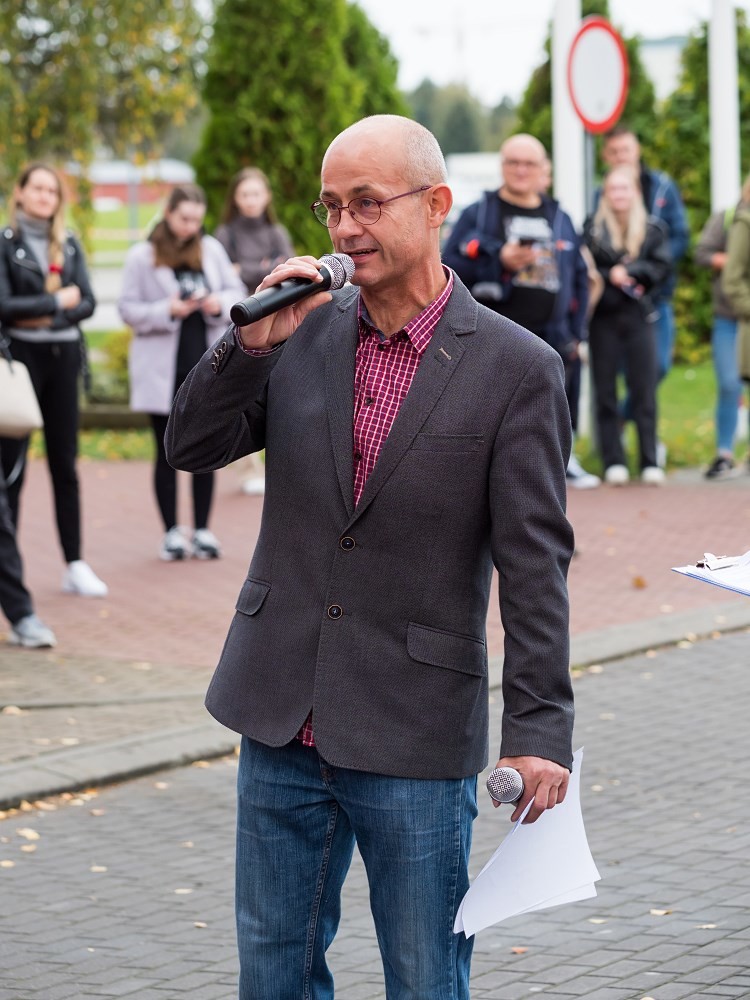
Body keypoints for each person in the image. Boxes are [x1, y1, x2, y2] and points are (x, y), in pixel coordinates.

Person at [167, 114, 574, 999]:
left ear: (436, 205)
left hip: (412, 726)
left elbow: (535, 565)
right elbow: (190, 447)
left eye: (367, 203)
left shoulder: (518, 368)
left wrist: (539, 731)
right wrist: (247, 347)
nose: (346, 228)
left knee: (425, 977)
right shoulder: (302, 331)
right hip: (280, 712)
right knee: (273, 974)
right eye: (331, 207)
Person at [442, 132, 600, 489]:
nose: (521, 170)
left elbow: (579, 276)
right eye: (513, 162)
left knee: (553, 406)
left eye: (529, 163)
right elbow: (447, 267)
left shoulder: (559, 217)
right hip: (491, 334)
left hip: (553, 334)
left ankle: (563, 462)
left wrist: (577, 332)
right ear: (502, 166)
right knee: (489, 411)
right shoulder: (478, 214)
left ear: (544, 169)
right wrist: (498, 260)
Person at [118, 183, 245, 561]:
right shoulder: (142, 256)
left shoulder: (211, 250)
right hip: (162, 370)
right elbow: (127, 308)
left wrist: (216, 304)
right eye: (184, 218)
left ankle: (202, 530)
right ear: (168, 214)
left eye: (196, 220)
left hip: (203, 366)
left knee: (205, 447)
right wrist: (167, 310)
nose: (191, 226)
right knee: (165, 451)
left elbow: (238, 293)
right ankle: (171, 532)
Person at [0, 162, 108, 598]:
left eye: (52, 190)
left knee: (65, 464)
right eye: (38, 188)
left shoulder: (69, 243)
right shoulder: (6, 243)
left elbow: (88, 302)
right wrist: (55, 302)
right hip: (20, 363)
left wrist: (47, 314)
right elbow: (4, 306)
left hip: (63, 359)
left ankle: (74, 563)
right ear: (21, 193)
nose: (45, 196)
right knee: (12, 469)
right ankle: (8, 569)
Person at [583, 166, 672, 485]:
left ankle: (650, 460)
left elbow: (661, 268)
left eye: (625, 188)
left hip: (639, 317)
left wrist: (633, 271)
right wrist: (611, 276)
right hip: (603, 319)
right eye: (613, 189)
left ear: (635, 192)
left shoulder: (652, 229)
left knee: (644, 389)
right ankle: (613, 461)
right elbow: (585, 269)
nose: (619, 194)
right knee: (605, 390)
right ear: (605, 193)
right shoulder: (592, 229)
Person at [214, 167, 294, 496]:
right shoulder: (225, 234)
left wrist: (245, 270)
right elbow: (224, 276)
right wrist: (263, 268)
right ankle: (248, 469)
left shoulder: (276, 232)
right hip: (239, 322)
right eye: (244, 194)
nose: (250, 200)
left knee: (278, 391)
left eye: (256, 193)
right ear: (235, 198)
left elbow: (287, 270)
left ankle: (279, 464)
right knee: (242, 391)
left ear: (267, 197)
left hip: (275, 320)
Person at [601, 126, 689, 388]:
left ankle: (632, 409)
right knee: (617, 372)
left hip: (654, 294)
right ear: (606, 156)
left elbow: (680, 236)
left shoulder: (662, 187)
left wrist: (650, 268)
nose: (621, 156)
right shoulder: (602, 193)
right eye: (614, 151)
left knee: (657, 366)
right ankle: (628, 412)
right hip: (615, 297)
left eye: (625, 150)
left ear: (637, 150)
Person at [695, 199, 745, 479]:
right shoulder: (728, 218)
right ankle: (724, 454)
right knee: (729, 383)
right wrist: (733, 260)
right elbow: (702, 253)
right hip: (728, 316)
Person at [721, 178, 750, 472]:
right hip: (742, 322)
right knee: (731, 385)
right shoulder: (744, 222)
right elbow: (733, 278)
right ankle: (725, 452)